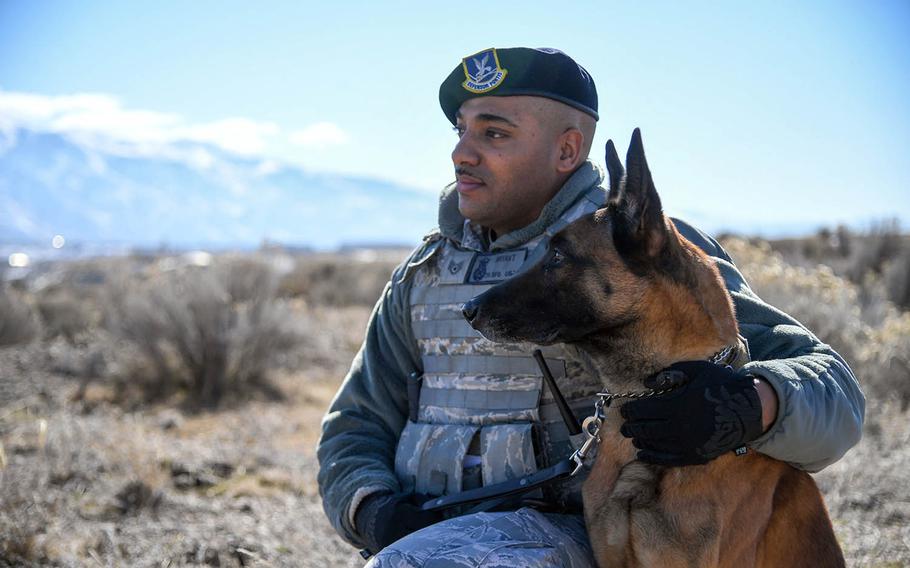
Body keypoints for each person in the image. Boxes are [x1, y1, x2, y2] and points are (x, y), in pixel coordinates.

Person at [316, 47, 865, 567]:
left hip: (592, 534)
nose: (462, 151)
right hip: (427, 539)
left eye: (494, 132)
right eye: (461, 131)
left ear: (567, 150)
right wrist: (373, 510)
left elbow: (836, 396)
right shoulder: (424, 274)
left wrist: (752, 404)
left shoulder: (636, 251)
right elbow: (357, 420)